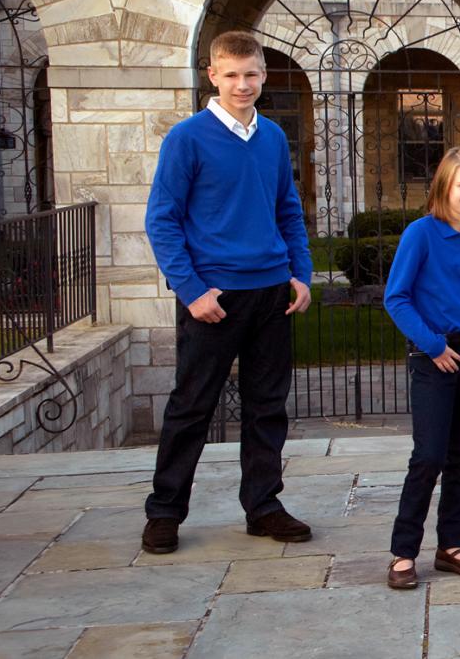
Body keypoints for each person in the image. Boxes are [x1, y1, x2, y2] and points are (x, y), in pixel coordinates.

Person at [140, 30, 314, 555]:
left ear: (264, 75)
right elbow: (162, 220)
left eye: (252, 74)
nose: (243, 84)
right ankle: (165, 512)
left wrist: (300, 272)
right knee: (192, 406)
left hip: (271, 292)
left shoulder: (272, 138)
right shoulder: (187, 139)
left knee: (267, 407)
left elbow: (288, 209)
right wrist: (192, 291)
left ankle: (263, 506)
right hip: (213, 298)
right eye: (231, 74)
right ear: (212, 75)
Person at [384, 148, 460, 589]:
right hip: (435, 359)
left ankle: (451, 546)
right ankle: (403, 552)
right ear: (444, 187)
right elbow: (396, 298)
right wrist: (434, 345)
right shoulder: (420, 234)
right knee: (429, 456)